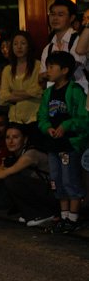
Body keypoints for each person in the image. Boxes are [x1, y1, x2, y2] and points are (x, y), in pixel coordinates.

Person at [36, 51, 89, 233]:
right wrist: (47, 127)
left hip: (69, 145)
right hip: (53, 145)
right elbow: (42, 116)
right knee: (56, 181)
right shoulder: (49, 92)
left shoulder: (75, 91)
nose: (48, 70)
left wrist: (66, 125)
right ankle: (64, 216)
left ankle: (74, 218)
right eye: (47, 66)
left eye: (52, 67)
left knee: (70, 180)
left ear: (65, 70)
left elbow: (84, 118)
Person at [0, 123, 57, 228]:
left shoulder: (31, 154)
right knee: (11, 180)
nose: (10, 141)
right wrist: (0, 168)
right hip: (43, 193)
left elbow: (1, 175)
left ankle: (43, 213)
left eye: (15, 137)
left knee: (12, 180)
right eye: (7, 137)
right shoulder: (14, 155)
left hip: (54, 195)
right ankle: (30, 212)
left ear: (25, 140)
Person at [42, 0, 86, 91]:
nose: (55, 18)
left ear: (71, 18)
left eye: (60, 15)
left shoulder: (78, 40)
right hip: (58, 99)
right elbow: (42, 77)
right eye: (52, 14)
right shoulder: (48, 48)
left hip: (80, 95)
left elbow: (70, 70)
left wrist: (49, 74)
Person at [0, 31, 43, 125]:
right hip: (14, 119)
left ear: (29, 46)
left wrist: (14, 93)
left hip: (35, 117)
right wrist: (28, 94)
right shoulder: (7, 70)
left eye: (23, 43)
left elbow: (38, 91)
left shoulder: (38, 66)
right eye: (15, 44)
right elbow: (3, 97)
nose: (19, 47)